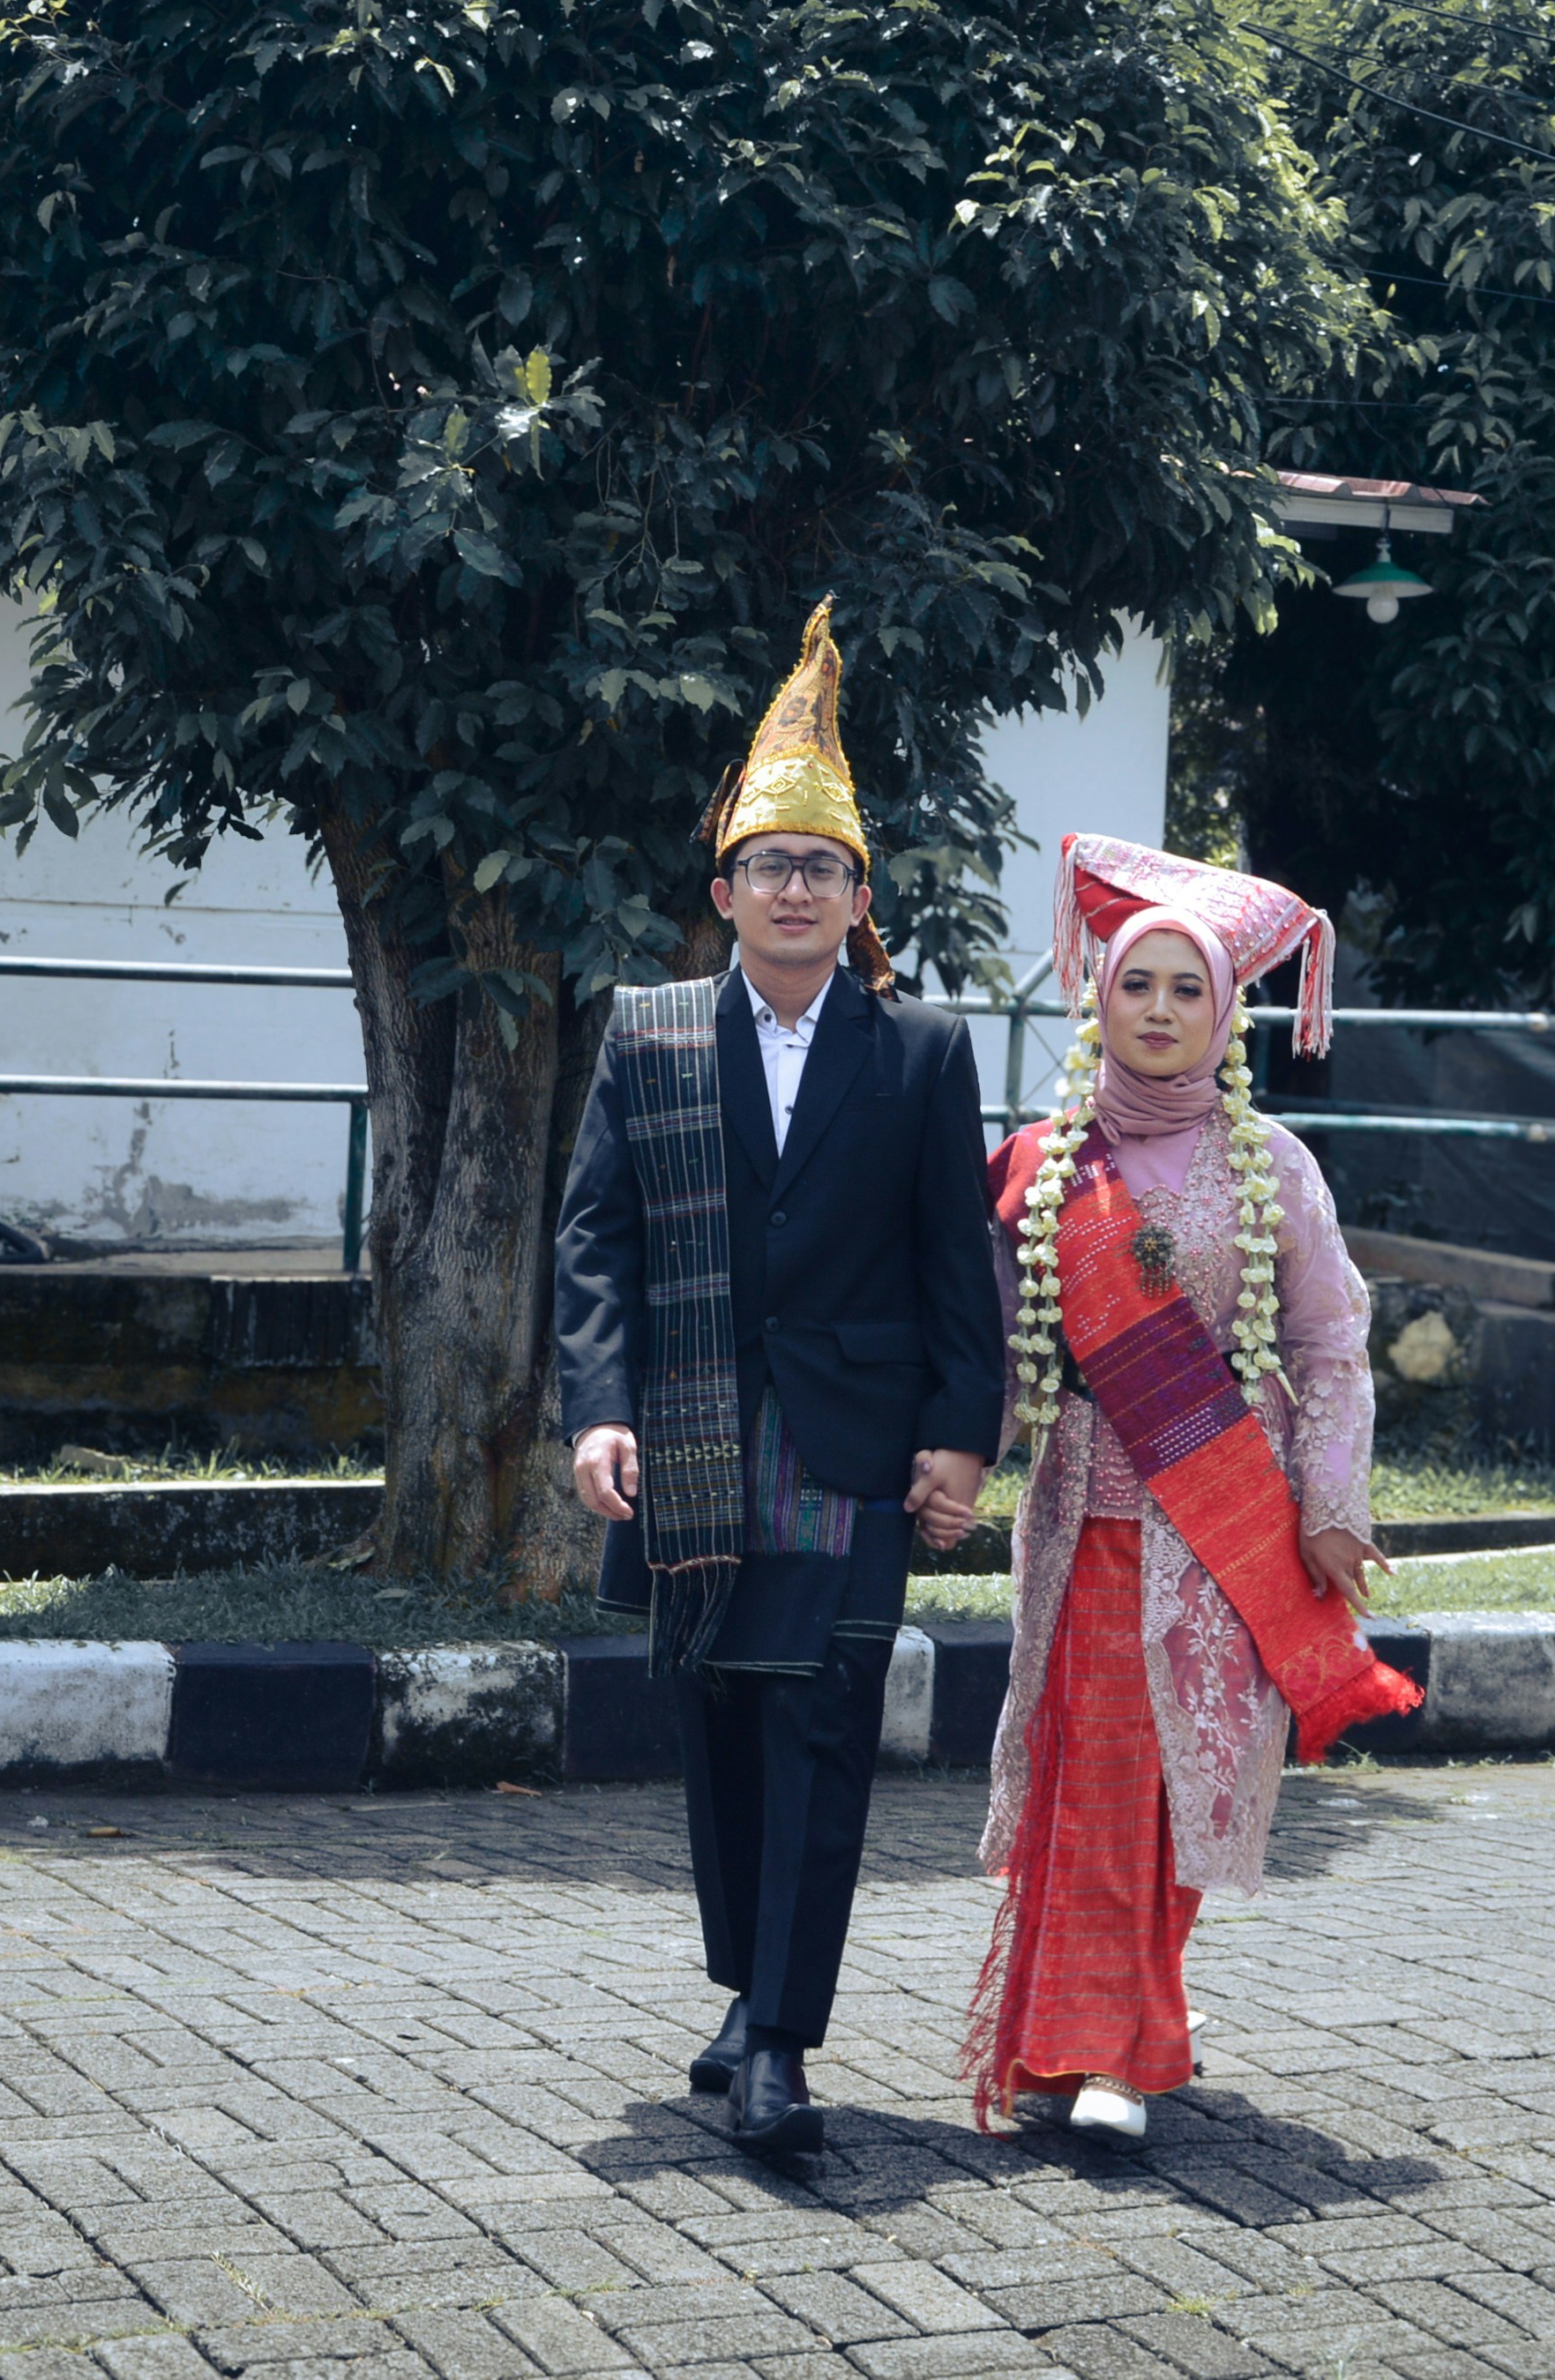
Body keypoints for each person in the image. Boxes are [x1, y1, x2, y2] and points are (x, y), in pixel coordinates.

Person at [551, 601, 1004, 2157]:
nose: (793, 890)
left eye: (821, 868)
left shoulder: (925, 1051)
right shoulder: (650, 1037)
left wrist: (962, 1436)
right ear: (725, 889)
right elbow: (596, 1238)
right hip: (686, 1439)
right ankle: (746, 1994)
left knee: (819, 1720)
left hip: (852, 1445)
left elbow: (964, 1261)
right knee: (720, 1724)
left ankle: (784, 2046)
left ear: (858, 895)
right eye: (767, 867)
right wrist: (597, 1403)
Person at [965, 834, 1413, 2139]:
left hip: (1226, 1522)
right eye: (1136, 985)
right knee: (1091, 1774)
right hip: (1081, 1518)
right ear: (1097, 998)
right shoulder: (1039, 1167)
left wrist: (1332, 1506)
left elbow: (1333, 1349)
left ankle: (1118, 2040)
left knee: (1184, 1782)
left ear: (1228, 1015)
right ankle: (1094, 2046)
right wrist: (943, 1460)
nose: (1159, 1011)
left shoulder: (1276, 1165)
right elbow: (993, 1348)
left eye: (1188, 990)